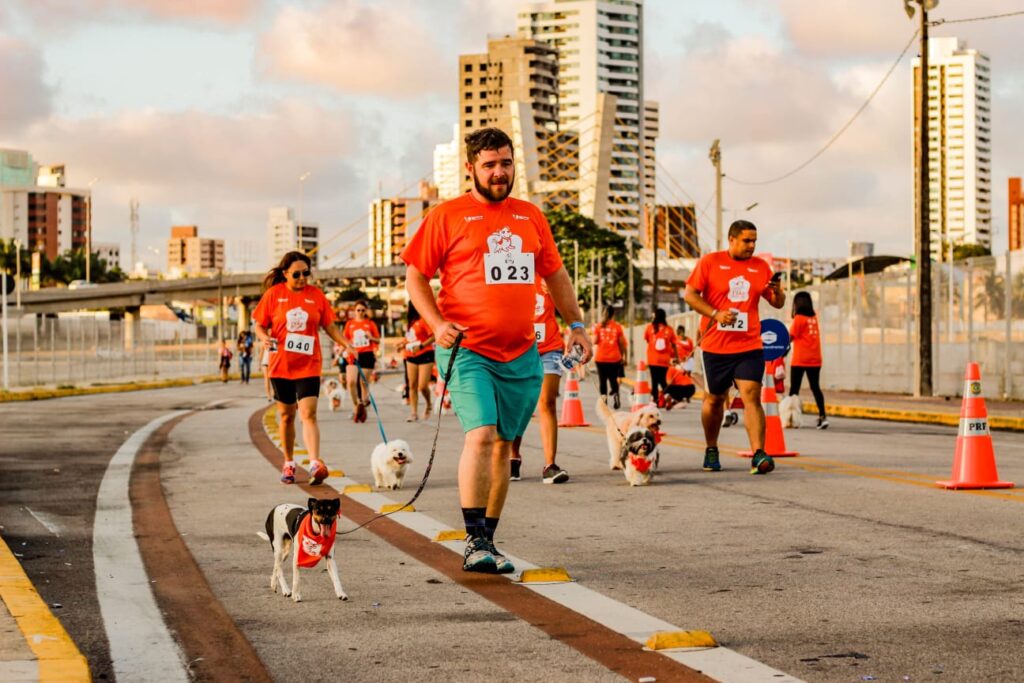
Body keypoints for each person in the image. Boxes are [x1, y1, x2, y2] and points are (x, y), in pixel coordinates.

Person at [402, 127, 591, 574]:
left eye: (506, 163)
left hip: (522, 351)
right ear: (471, 169)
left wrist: (577, 325)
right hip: (467, 349)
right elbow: (415, 277)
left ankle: (488, 539)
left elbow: (557, 276)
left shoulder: (530, 217)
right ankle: (473, 542)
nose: (499, 172)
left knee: (505, 444)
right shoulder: (446, 216)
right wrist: (436, 323)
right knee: (482, 435)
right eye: (489, 165)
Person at [683, 220, 785, 474]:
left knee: (751, 394)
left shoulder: (761, 267)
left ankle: (758, 454)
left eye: (754, 241)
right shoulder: (710, 262)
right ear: (731, 239)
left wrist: (778, 292)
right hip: (715, 345)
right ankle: (711, 448)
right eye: (746, 241)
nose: (752, 246)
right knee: (715, 400)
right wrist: (715, 314)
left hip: (749, 343)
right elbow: (690, 295)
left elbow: (777, 303)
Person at [253, 251, 351, 485]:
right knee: (286, 416)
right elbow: (259, 324)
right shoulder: (274, 295)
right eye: (296, 274)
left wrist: (347, 344)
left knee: (309, 414)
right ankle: (288, 462)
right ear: (285, 274)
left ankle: (315, 462)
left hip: (308, 365)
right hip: (281, 365)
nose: (302, 278)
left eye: (306, 273)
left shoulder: (316, 296)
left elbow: (330, 327)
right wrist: (263, 337)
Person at [510, 281, 571, 485]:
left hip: (549, 348)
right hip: (517, 349)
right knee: (517, 406)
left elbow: (567, 304)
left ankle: (550, 465)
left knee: (547, 402)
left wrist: (554, 289)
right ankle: (513, 457)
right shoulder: (510, 271)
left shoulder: (548, 276)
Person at [788, 291, 828, 429]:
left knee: (794, 390)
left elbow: (791, 336)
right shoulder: (814, 317)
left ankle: (791, 418)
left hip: (800, 359)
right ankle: (823, 416)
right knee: (815, 387)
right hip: (815, 358)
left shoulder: (799, 318)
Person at [342, 300, 380, 419]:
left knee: (363, 382)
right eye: (358, 310)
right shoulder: (350, 324)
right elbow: (345, 339)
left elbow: (378, 340)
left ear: (365, 311)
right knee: (351, 382)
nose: (360, 312)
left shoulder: (370, 324)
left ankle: (363, 404)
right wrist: (344, 348)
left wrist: (371, 337)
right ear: (354, 311)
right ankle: (355, 405)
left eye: (363, 310)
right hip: (354, 354)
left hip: (367, 354)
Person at [402, 302, 435, 422]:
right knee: (412, 385)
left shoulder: (424, 320)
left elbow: (434, 336)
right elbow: (409, 338)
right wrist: (402, 344)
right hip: (411, 355)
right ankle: (413, 412)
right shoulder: (410, 323)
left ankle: (428, 404)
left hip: (425, 354)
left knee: (422, 386)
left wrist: (421, 346)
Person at [592, 305, 628, 409]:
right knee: (613, 380)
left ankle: (604, 402)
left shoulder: (599, 326)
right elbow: (622, 344)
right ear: (613, 314)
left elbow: (595, 341)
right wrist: (623, 357)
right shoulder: (617, 327)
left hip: (600, 358)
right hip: (614, 358)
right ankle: (616, 398)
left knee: (602, 382)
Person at [644, 308, 678, 406]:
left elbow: (647, 339)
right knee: (662, 379)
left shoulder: (650, 328)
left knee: (654, 381)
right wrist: (676, 358)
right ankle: (668, 396)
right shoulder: (669, 329)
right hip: (664, 360)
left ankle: (655, 401)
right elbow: (674, 344)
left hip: (652, 359)